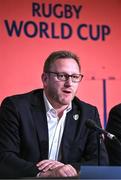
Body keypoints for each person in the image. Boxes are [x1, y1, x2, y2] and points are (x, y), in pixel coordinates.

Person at [0, 50, 108, 178]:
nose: (69, 83)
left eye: (74, 77)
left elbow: (101, 162)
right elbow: (4, 158)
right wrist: (45, 173)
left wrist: (67, 169)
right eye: (62, 76)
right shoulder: (16, 107)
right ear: (45, 79)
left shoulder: (88, 113)